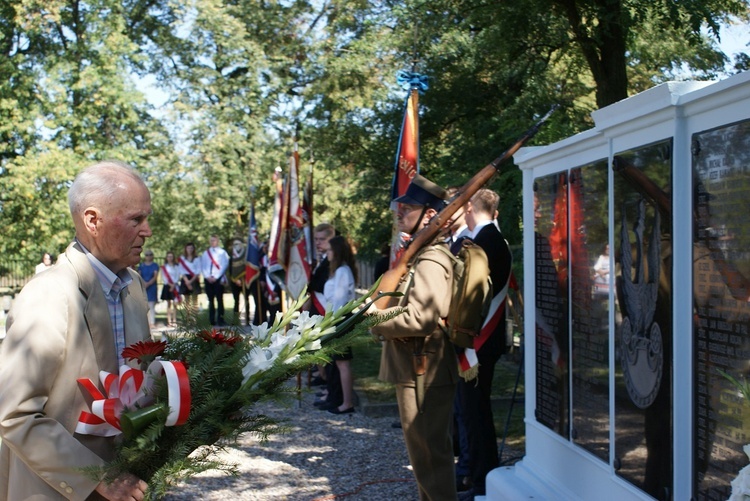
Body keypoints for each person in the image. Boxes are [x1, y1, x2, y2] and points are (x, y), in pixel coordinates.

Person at [0, 160, 152, 500]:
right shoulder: (49, 294)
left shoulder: (135, 287)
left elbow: (137, 380)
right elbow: (14, 413)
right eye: (136, 219)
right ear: (92, 220)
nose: (147, 230)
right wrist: (101, 477)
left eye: (147, 218)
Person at [368, 174, 458, 501]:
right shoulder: (421, 255)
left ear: (430, 215)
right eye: (401, 206)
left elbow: (422, 316)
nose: (400, 212)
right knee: (423, 457)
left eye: (408, 207)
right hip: (415, 367)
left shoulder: (432, 259)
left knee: (431, 458)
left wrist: (376, 320)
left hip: (424, 371)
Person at [455, 188, 513, 499]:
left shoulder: (483, 243)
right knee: (472, 413)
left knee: (475, 415)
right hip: (480, 339)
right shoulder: (492, 239)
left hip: (478, 341)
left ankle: (481, 480)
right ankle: (478, 476)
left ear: (468, 208)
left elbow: (468, 294)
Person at [323, 235, 358, 414]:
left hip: (340, 319)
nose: (326, 253)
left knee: (342, 363)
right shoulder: (338, 271)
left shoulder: (343, 271)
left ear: (336, 251)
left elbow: (340, 300)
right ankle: (338, 397)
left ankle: (347, 402)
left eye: (329, 250)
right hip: (335, 319)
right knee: (337, 363)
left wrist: (332, 322)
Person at [201, 234, 229, 326]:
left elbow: (224, 265)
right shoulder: (206, 253)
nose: (212, 242)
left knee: (219, 299)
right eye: (211, 240)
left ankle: (221, 319)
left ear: (217, 241)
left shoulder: (222, 252)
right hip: (208, 279)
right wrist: (207, 276)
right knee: (210, 300)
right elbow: (203, 266)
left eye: (214, 240)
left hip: (218, 278)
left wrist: (216, 277)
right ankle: (211, 320)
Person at [228, 237, 250, 325]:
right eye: (234, 244)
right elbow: (230, 270)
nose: (236, 246)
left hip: (245, 281)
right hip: (235, 282)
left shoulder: (246, 255)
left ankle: (247, 319)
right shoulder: (232, 257)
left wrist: (243, 279)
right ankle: (236, 320)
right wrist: (235, 279)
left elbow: (248, 269)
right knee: (236, 301)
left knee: (246, 300)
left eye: (237, 244)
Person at [178, 242, 202, 312]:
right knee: (187, 300)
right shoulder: (182, 258)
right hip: (185, 279)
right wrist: (187, 282)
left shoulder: (197, 258)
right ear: (185, 249)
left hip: (194, 278)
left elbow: (198, 270)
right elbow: (181, 270)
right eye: (188, 248)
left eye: (191, 248)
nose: (190, 250)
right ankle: (187, 318)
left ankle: (194, 319)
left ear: (194, 249)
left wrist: (191, 281)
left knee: (195, 300)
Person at [160, 250, 181, 327]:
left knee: (175, 304)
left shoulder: (177, 266)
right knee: (169, 304)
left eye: (171, 256)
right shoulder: (164, 267)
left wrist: (173, 285)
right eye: (168, 256)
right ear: (166, 257)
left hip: (175, 286)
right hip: (167, 286)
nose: (170, 258)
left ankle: (174, 321)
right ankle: (169, 321)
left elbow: (178, 276)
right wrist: (170, 285)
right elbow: (164, 277)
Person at [139, 250, 159, 328]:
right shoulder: (141, 265)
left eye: (150, 254)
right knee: (143, 305)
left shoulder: (155, 265)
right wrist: (144, 283)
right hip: (143, 287)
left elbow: (155, 276)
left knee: (151, 305)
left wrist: (148, 283)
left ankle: (152, 323)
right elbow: (139, 275)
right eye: (147, 255)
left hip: (152, 287)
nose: (148, 256)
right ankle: (144, 323)